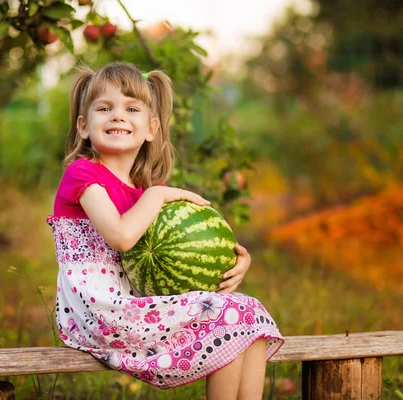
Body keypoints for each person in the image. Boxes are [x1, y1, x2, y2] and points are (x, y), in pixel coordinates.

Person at [47, 62, 284, 399]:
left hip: (130, 303)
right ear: (84, 127)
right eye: (104, 108)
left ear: (151, 129)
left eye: (131, 108)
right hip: (99, 312)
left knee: (250, 313)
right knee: (229, 316)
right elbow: (121, 236)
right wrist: (159, 194)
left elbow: (188, 245)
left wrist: (232, 260)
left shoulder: (141, 190)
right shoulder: (83, 174)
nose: (117, 116)